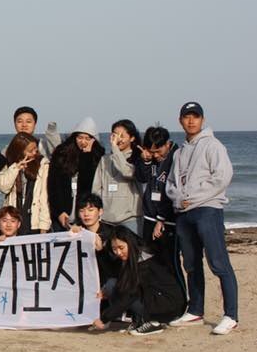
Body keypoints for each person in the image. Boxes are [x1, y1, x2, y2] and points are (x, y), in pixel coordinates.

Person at [165, 102, 239, 335]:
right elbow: (171, 183)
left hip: (208, 210)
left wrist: (191, 197)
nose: (191, 121)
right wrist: (179, 199)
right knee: (191, 264)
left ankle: (231, 315)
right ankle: (195, 310)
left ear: (202, 120)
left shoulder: (213, 145)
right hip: (184, 213)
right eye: (187, 117)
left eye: (195, 116)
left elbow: (223, 177)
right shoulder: (179, 152)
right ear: (180, 121)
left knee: (218, 263)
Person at [89, 226, 186, 336]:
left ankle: (151, 322)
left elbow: (129, 296)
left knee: (126, 293)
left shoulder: (143, 262)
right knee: (113, 284)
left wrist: (104, 318)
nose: (118, 252)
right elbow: (113, 273)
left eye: (121, 247)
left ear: (130, 243)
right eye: (114, 249)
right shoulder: (131, 256)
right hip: (155, 299)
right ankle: (140, 319)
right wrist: (101, 251)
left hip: (168, 306)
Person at [46, 117, 104, 231]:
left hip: (84, 214)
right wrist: (59, 212)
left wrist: (87, 156)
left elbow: (88, 184)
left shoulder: (97, 156)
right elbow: (53, 185)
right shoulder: (62, 154)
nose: (83, 142)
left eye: (87, 138)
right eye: (80, 137)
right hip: (62, 213)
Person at [136, 126, 180, 273]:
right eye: (152, 151)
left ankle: (176, 289)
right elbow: (142, 178)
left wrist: (161, 218)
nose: (155, 155)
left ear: (167, 144)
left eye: (158, 151)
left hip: (168, 221)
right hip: (149, 216)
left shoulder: (177, 157)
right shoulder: (152, 158)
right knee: (149, 262)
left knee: (170, 264)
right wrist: (145, 161)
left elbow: (173, 192)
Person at [92, 119, 144, 235]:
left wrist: (115, 149)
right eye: (115, 135)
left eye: (122, 136)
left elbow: (127, 172)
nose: (118, 139)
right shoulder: (105, 159)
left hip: (129, 218)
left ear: (132, 138)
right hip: (107, 219)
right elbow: (96, 188)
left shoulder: (137, 157)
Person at [0, 132, 50, 235]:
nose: (34, 153)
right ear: (20, 151)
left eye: (35, 149)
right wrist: (16, 168)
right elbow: (3, 187)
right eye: (30, 151)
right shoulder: (9, 164)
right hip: (14, 219)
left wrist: (44, 226)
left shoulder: (43, 165)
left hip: (34, 220)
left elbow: (44, 197)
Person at [69, 193, 119, 284]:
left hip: (107, 281)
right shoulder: (77, 233)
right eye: (82, 211)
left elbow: (114, 268)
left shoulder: (111, 233)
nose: (86, 214)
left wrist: (101, 251)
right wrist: (71, 236)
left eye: (90, 210)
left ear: (100, 212)